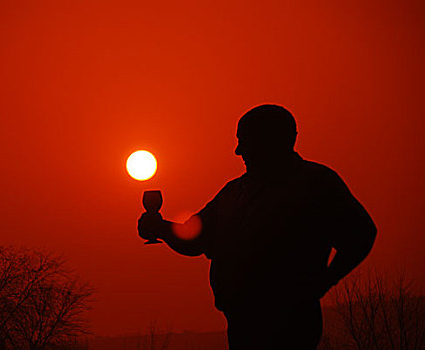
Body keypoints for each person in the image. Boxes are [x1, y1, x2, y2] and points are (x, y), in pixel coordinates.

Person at [138, 104, 377, 349]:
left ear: (274, 141)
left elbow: (361, 234)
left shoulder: (315, 184)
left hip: (290, 325)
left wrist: (326, 281)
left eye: (245, 141)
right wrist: (161, 228)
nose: (238, 151)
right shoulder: (234, 192)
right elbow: (195, 239)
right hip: (241, 323)